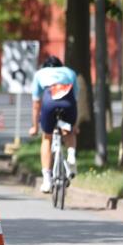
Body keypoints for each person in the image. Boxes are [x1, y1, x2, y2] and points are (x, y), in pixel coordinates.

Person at [28, 55, 78, 193]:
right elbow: (75, 98)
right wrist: (75, 125)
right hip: (68, 101)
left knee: (47, 138)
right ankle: (71, 154)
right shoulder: (69, 72)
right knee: (69, 130)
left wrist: (35, 127)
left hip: (50, 100)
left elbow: (36, 104)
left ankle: (47, 180)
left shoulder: (40, 74)